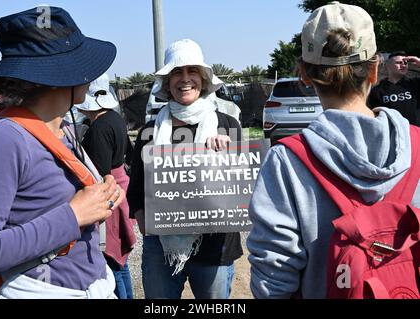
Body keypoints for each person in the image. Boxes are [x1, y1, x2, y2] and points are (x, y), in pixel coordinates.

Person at [247, 1, 420, 298]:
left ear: (304, 74)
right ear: (374, 70)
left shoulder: (286, 161)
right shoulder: (417, 145)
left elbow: (274, 275)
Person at [0, 6, 124, 299]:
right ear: (58, 76)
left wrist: (102, 196)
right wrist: (73, 215)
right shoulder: (5, 140)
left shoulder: (63, 127)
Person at [127, 38, 243, 299]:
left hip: (216, 246)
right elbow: (135, 190)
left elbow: (241, 192)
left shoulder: (226, 126)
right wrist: (147, 222)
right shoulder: (149, 133)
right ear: (167, 82)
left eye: (192, 71)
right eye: (177, 72)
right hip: (161, 247)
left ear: (203, 79)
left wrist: (228, 158)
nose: (185, 79)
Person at [75, 73, 136, 299]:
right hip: (121, 190)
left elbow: (100, 173)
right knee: (121, 261)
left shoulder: (98, 128)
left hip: (110, 195)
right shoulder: (115, 118)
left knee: (113, 263)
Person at [368, 52, 420, 125]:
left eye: (405, 63)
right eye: (398, 62)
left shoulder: (416, 83)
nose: (403, 65)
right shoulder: (377, 91)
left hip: (415, 133)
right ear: (387, 66)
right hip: (392, 134)